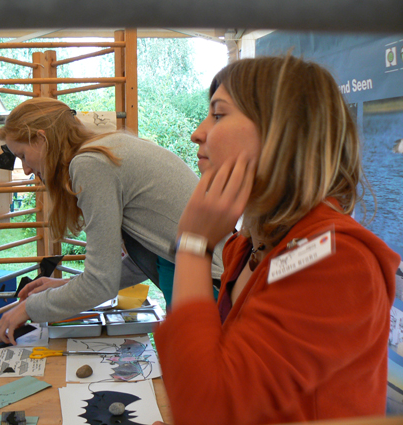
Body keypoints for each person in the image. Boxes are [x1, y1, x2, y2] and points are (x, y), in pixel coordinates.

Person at [153, 55, 401, 425]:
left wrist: (193, 245)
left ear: (281, 132)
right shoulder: (249, 245)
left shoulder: (338, 260)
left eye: (218, 115)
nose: (198, 133)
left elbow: (208, 411)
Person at [0, 97, 226, 344]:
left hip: (204, 285)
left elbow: (99, 284)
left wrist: (28, 308)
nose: (26, 169)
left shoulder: (90, 163)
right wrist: (67, 285)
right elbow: (138, 262)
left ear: (42, 139)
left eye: (23, 155)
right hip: (198, 275)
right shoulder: (105, 147)